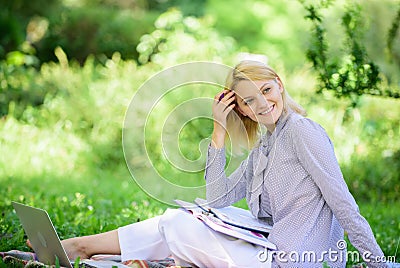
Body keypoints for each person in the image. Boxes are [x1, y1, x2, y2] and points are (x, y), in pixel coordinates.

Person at [52, 60, 388, 267]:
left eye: (266, 90)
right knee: (182, 221)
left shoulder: (302, 131)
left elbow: (342, 202)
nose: (262, 103)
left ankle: (80, 249)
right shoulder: (266, 144)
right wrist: (218, 130)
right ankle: (83, 250)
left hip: (292, 261)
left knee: (180, 226)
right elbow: (216, 199)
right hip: (270, 248)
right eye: (248, 100)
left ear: (280, 86)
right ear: (239, 108)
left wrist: (377, 263)